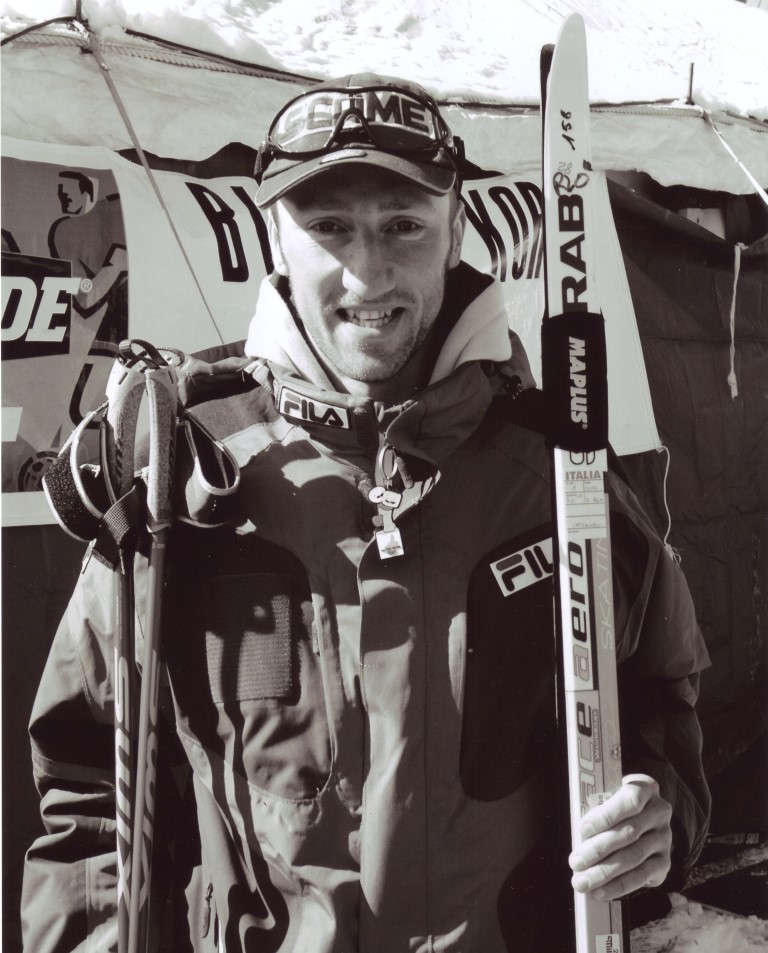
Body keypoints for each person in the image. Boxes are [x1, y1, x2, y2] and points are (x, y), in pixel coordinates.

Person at [22, 73, 711, 953]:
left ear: (455, 232)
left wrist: (659, 809)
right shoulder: (184, 476)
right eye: (329, 226)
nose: (366, 271)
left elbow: (657, 698)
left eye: (403, 225)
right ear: (276, 238)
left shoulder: (557, 473)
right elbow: (90, 786)